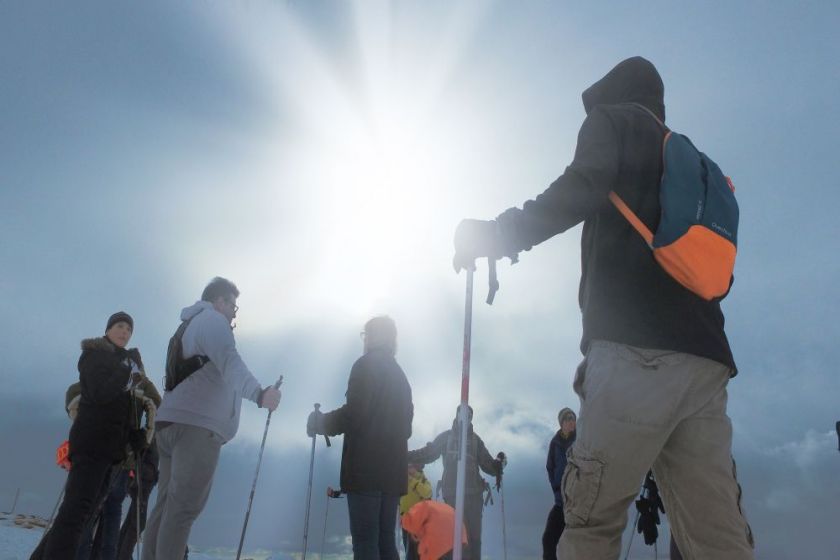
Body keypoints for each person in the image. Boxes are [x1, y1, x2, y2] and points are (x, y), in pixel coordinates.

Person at [452, 56, 754, 559]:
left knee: (591, 524)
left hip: (634, 352)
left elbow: (581, 188)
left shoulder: (612, 121)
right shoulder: (691, 163)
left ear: (612, 93)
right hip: (706, 363)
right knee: (718, 538)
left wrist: (499, 233)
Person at [142, 277, 281, 559]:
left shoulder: (188, 326)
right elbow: (230, 362)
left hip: (170, 424)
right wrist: (259, 394)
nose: (234, 314)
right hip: (196, 428)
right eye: (232, 306)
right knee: (182, 510)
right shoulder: (213, 321)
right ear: (219, 301)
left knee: (166, 506)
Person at [33, 312, 153, 559]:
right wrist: (126, 369)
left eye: (129, 329)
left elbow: (117, 410)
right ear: (108, 329)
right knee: (75, 514)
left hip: (109, 452)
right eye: (120, 326)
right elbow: (100, 394)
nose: (125, 332)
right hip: (91, 446)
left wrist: (134, 436)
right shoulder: (94, 355)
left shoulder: (122, 364)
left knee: (82, 514)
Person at [307, 315, 414, 560]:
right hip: (392, 474)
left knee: (366, 543)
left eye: (366, 335)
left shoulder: (364, 366)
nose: (364, 340)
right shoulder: (401, 377)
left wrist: (321, 422)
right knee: (386, 542)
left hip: (365, 472)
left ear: (373, 337)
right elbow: (406, 429)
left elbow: (355, 414)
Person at [407, 406, 505, 560]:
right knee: (457, 538)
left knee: (472, 540)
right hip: (454, 495)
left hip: (472, 496)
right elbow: (428, 453)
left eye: (469, 415)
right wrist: (406, 455)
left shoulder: (475, 441)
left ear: (471, 418)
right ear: (457, 415)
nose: (466, 417)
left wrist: (499, 464)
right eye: (463, 413)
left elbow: (489, 466)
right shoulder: (447, 438)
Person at [542, 407, 576, 560]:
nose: (572, 422)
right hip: (561, 502)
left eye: (573, 419)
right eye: (568, 419)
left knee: (575, 545)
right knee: (548, 539)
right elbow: (550, 467)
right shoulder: (555, 443)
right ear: (561, 423)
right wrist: (556, 487)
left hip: (578, 503)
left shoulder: (580, 441)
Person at [400, 464, 433, 560]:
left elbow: (427, 493)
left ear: (417, 467)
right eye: (407, 466)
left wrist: (411, 481)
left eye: (410, 466)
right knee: (409, 550)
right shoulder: (403, 481)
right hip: (406, 522)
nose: (408, 469)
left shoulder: (423, 480)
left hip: (419, 523)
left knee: (417, 552)